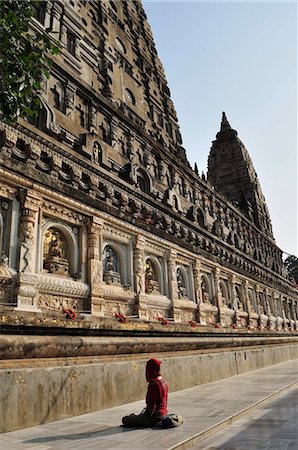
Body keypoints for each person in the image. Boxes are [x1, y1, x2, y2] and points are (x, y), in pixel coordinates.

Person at [122, 358, 168, 427]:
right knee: (133, 417)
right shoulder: (163, 380)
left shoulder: (153, 384)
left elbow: (152, 407)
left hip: (155, 417)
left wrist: (143, 417)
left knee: (125, 419)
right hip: (163, 414)